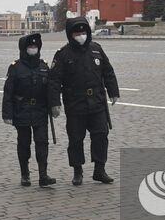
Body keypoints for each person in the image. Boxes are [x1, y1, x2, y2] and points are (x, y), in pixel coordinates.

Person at [50, 17, 119, 186]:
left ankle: (99, 170)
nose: (80, 35)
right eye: (77, 33)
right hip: (75, 103)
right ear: (70, 35)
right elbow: (54, 80)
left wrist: (113, 92)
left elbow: (108, 72)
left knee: (101, 135)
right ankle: (77, 170)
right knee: (75, 139)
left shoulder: (96, 49)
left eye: (83, 32)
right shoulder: (63, 54)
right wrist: (54, 103)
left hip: (97, 102)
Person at [2, 33, 57, 187]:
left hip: (40, 110)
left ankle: (43, 175)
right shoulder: (15, 67)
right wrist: (7, 114)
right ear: (23, 49)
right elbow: (8, 92)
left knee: (42, 142)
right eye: (30, 46)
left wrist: (54, 105)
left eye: (35, 46)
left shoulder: (43, 66)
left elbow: (51, 89)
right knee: (24, 143)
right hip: (22, 110)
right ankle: (25, 174)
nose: (33, 49)